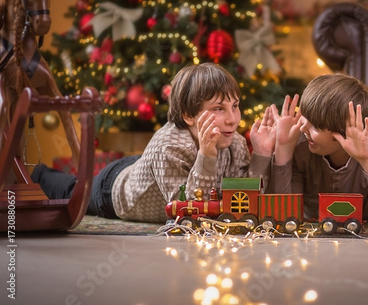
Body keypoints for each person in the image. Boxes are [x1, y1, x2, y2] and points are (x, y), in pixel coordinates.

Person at [32, 63, 276, 223]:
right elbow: (188, 212)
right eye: (219, 109)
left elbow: (246, 200)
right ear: (189, 115)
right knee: (75, 192)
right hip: (116, 190)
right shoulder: (168, 145)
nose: (233, 119)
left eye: (235, 106)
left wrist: (263, 153)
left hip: (150, 168)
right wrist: (207, 156)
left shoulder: (233, 142)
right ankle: (38, 174)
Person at [267, 73, 368, 229]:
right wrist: (283, 149)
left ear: (343, 133)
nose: (303, 127)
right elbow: (283, 217)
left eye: (316, 126)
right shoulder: (299, 137)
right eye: (304, 116)